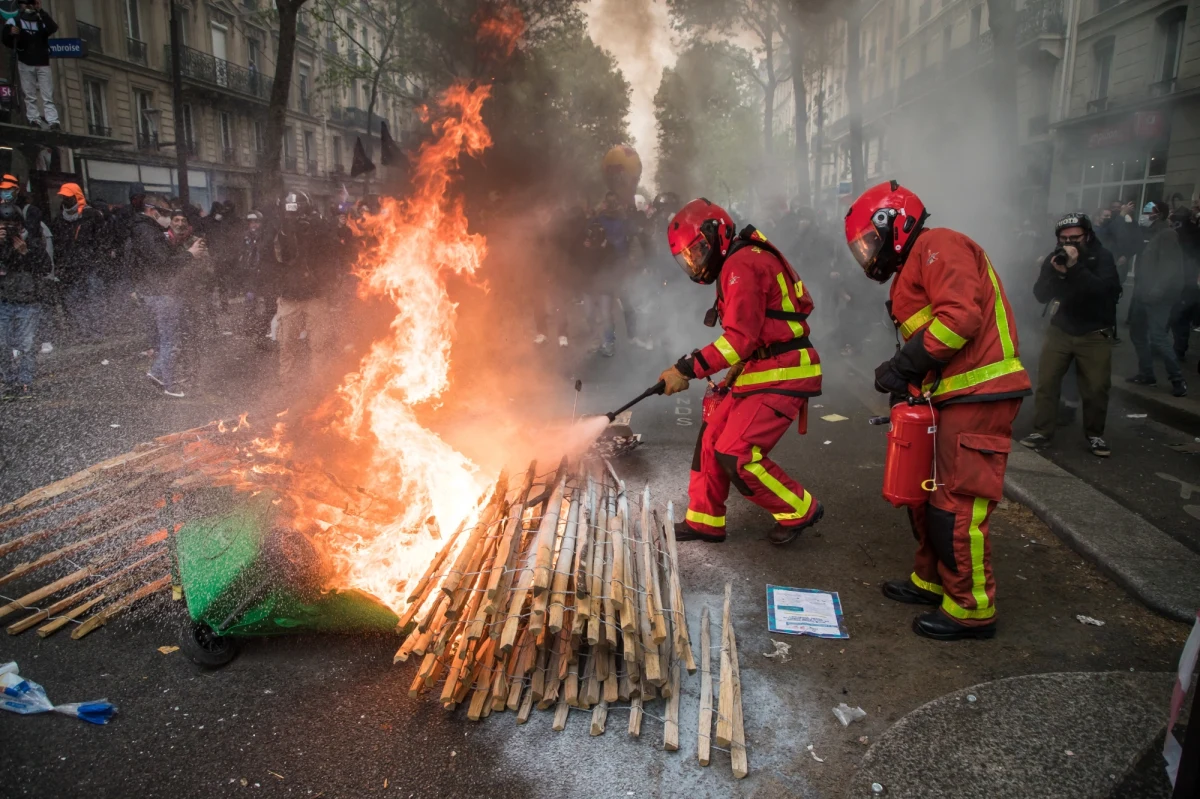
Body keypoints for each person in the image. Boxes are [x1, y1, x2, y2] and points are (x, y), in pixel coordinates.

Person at [844, 181, 1032, 641]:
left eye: (869, 241)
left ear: (895, 225)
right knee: (926, 495)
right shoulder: (913, 265)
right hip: (951, 394)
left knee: (957, 505)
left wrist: (903, 365)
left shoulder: (937, 244)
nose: (868, 253)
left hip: (978, 394)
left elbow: (960, 319)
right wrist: (906, 381)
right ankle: (931, 582)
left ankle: (971, 609)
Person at [659, 198, 825, 547]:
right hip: (763, 368)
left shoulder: (741, 264)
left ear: (715, 233)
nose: (695, 263)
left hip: (785, 371)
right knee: (711, 438)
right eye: (688, 258)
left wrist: (685, 369)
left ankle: (800, 509)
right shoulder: (742, 259)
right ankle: (704, 521)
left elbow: (738, 340)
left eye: (698, 251)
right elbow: (750, 336)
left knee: (736, 454)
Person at [1019, 213, 1121, 457]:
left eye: (1075, 238)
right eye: (1064, 238)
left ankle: (1095, 435)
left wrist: (1075, 268)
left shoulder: (1102, 257)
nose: (1070, 243)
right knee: (1047, 381)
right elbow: (1041, 295)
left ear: (1087, 235)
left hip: (1095, 331)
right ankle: (1042, 432)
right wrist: (1057, 273)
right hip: (1061, 328)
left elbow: (1105, 292)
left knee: (1096, 387)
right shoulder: (1056, 258)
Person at [131, 195, 206, 397]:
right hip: (163, 293)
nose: (169, 219)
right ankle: (168, 384)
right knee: (169, 342)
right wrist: (190, 254)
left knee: (170, 340)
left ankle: (159, 373)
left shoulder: (146, 231)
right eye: (165, 214)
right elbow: (164, 263)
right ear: (151, 210)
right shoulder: (148, 232)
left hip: (160, 292)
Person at [270, 190, 341, 385]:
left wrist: (316, 229)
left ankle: (319, 385)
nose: (295, 216)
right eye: (291, 212)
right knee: (286, 343)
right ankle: (287, 382)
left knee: (320, 344)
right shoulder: (279, 228)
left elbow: (332, 254)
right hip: (290, 296)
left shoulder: (320, 227)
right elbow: (279, 258)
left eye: (299, 211)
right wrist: (287, 231)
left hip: (315, 295)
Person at [1127, 201, 1187, 396]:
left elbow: (1170, 268)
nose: (1144, 214)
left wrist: (1157, 291)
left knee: (1158, 336)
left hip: (1157, 296)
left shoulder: (1167, 234)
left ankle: (1177, 379)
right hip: (1142, 293)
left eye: (1148, 211)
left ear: (1159, 214)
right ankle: (1146, 374)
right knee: (1137, 333)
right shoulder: (1150, 233)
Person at [0, 204, 52, 398]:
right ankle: (9, 381)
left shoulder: (32, 240)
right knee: (2, 345)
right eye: (5, 225)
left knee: (26, 345)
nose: (10, 228)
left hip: (28, 301)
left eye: (13, 224)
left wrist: (26, 253)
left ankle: (25, 382)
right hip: (4, 300)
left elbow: (45, 267)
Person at [49, 183, 110, 343]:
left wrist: (98, 260)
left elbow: (102, 241)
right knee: (74, 300)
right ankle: (83, 332)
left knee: (94, 298)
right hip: (70, 268)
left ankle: (97, 332)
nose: (66, 200)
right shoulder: (59, 220)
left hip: (91, 266)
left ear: (77, 197)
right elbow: (58, 246)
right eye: (64, 197)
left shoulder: (92, 216)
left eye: (68, 197)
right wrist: (61, 265)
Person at [1, 0, 59, 131]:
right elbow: (5, 40)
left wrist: (40, 11)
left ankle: (53, 121)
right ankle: (33, 119)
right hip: (25, 62)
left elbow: (53, 27)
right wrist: (11, 33)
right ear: (20, 5)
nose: (28, 6)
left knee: (47, 95)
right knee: (29, 94)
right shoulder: (14, 21)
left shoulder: (40, 20)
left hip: (42, 62)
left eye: (30, 3)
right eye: (25, 3)